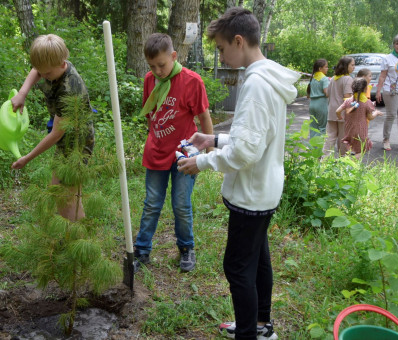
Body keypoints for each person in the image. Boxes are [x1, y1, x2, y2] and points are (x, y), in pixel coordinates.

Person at [178, 7, 299, 340]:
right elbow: (256, 141)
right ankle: (261, 326)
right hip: (264, 188)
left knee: (237, 267)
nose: (221, 55)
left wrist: (201, 162)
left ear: (239, 41)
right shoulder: (268, 77)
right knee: (258, 260)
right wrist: (214, 138)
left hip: (251, 194)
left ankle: (248, 333)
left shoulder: (256, 85)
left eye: (220, 48)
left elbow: (245, 152)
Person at [133, 33, 213, 273]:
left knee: (180, 203)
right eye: (152, 66)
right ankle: (142, 250)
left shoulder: (192, 81)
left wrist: (207, 153)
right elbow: (151, 115)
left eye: (162, 65)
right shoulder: (149, 80)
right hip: (156, 152)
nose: (157, 71)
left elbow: (204, 117)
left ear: (174, 56)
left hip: (184, 154)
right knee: (152, 203)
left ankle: (186, 248)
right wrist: (154, 140)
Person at [10, 34, 94, 221]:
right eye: (42, 72)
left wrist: (27, 158)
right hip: (66, 138)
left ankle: (78, 240)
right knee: (57, 190)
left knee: (66, 195)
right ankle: (70, 235)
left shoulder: (69, 89)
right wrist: (23, 93)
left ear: (62, 62)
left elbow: (57, 133)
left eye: (47, 74)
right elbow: (36, 70)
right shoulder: (51, 63)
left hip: (77, 143)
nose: (43, 76)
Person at [335, 78, 383, 158]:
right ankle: (351, 162)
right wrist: (376, 113)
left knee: (351, 147)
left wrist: (340, 117)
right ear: (365, 89)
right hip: (360, 130)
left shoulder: (348, 101)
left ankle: (349, 164)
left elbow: (337, 111)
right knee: (362, 149)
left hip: (349, 129)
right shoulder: (367, 102)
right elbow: (370, 117)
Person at [322, 56, 355, 157]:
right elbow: (347, 97)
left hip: (332, 111)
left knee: (330, 137)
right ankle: (343, 160)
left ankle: (324, 159)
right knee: (343, 138)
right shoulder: (348, 79)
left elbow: (328, 93)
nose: (354, 67)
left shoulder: (333, 78)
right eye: (352, 65)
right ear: (346, 66)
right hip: (343, 112)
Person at [307, 59, 330, 138]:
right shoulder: (324, 79)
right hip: (321, 104)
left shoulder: (313, 78)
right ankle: (320, 148)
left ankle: (313, 147)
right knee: (322, 127)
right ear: (320, 69)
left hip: (312, 104)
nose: (327, 69)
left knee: (313, 127)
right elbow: (326, 93)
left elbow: (308, 94)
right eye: (326, 67)